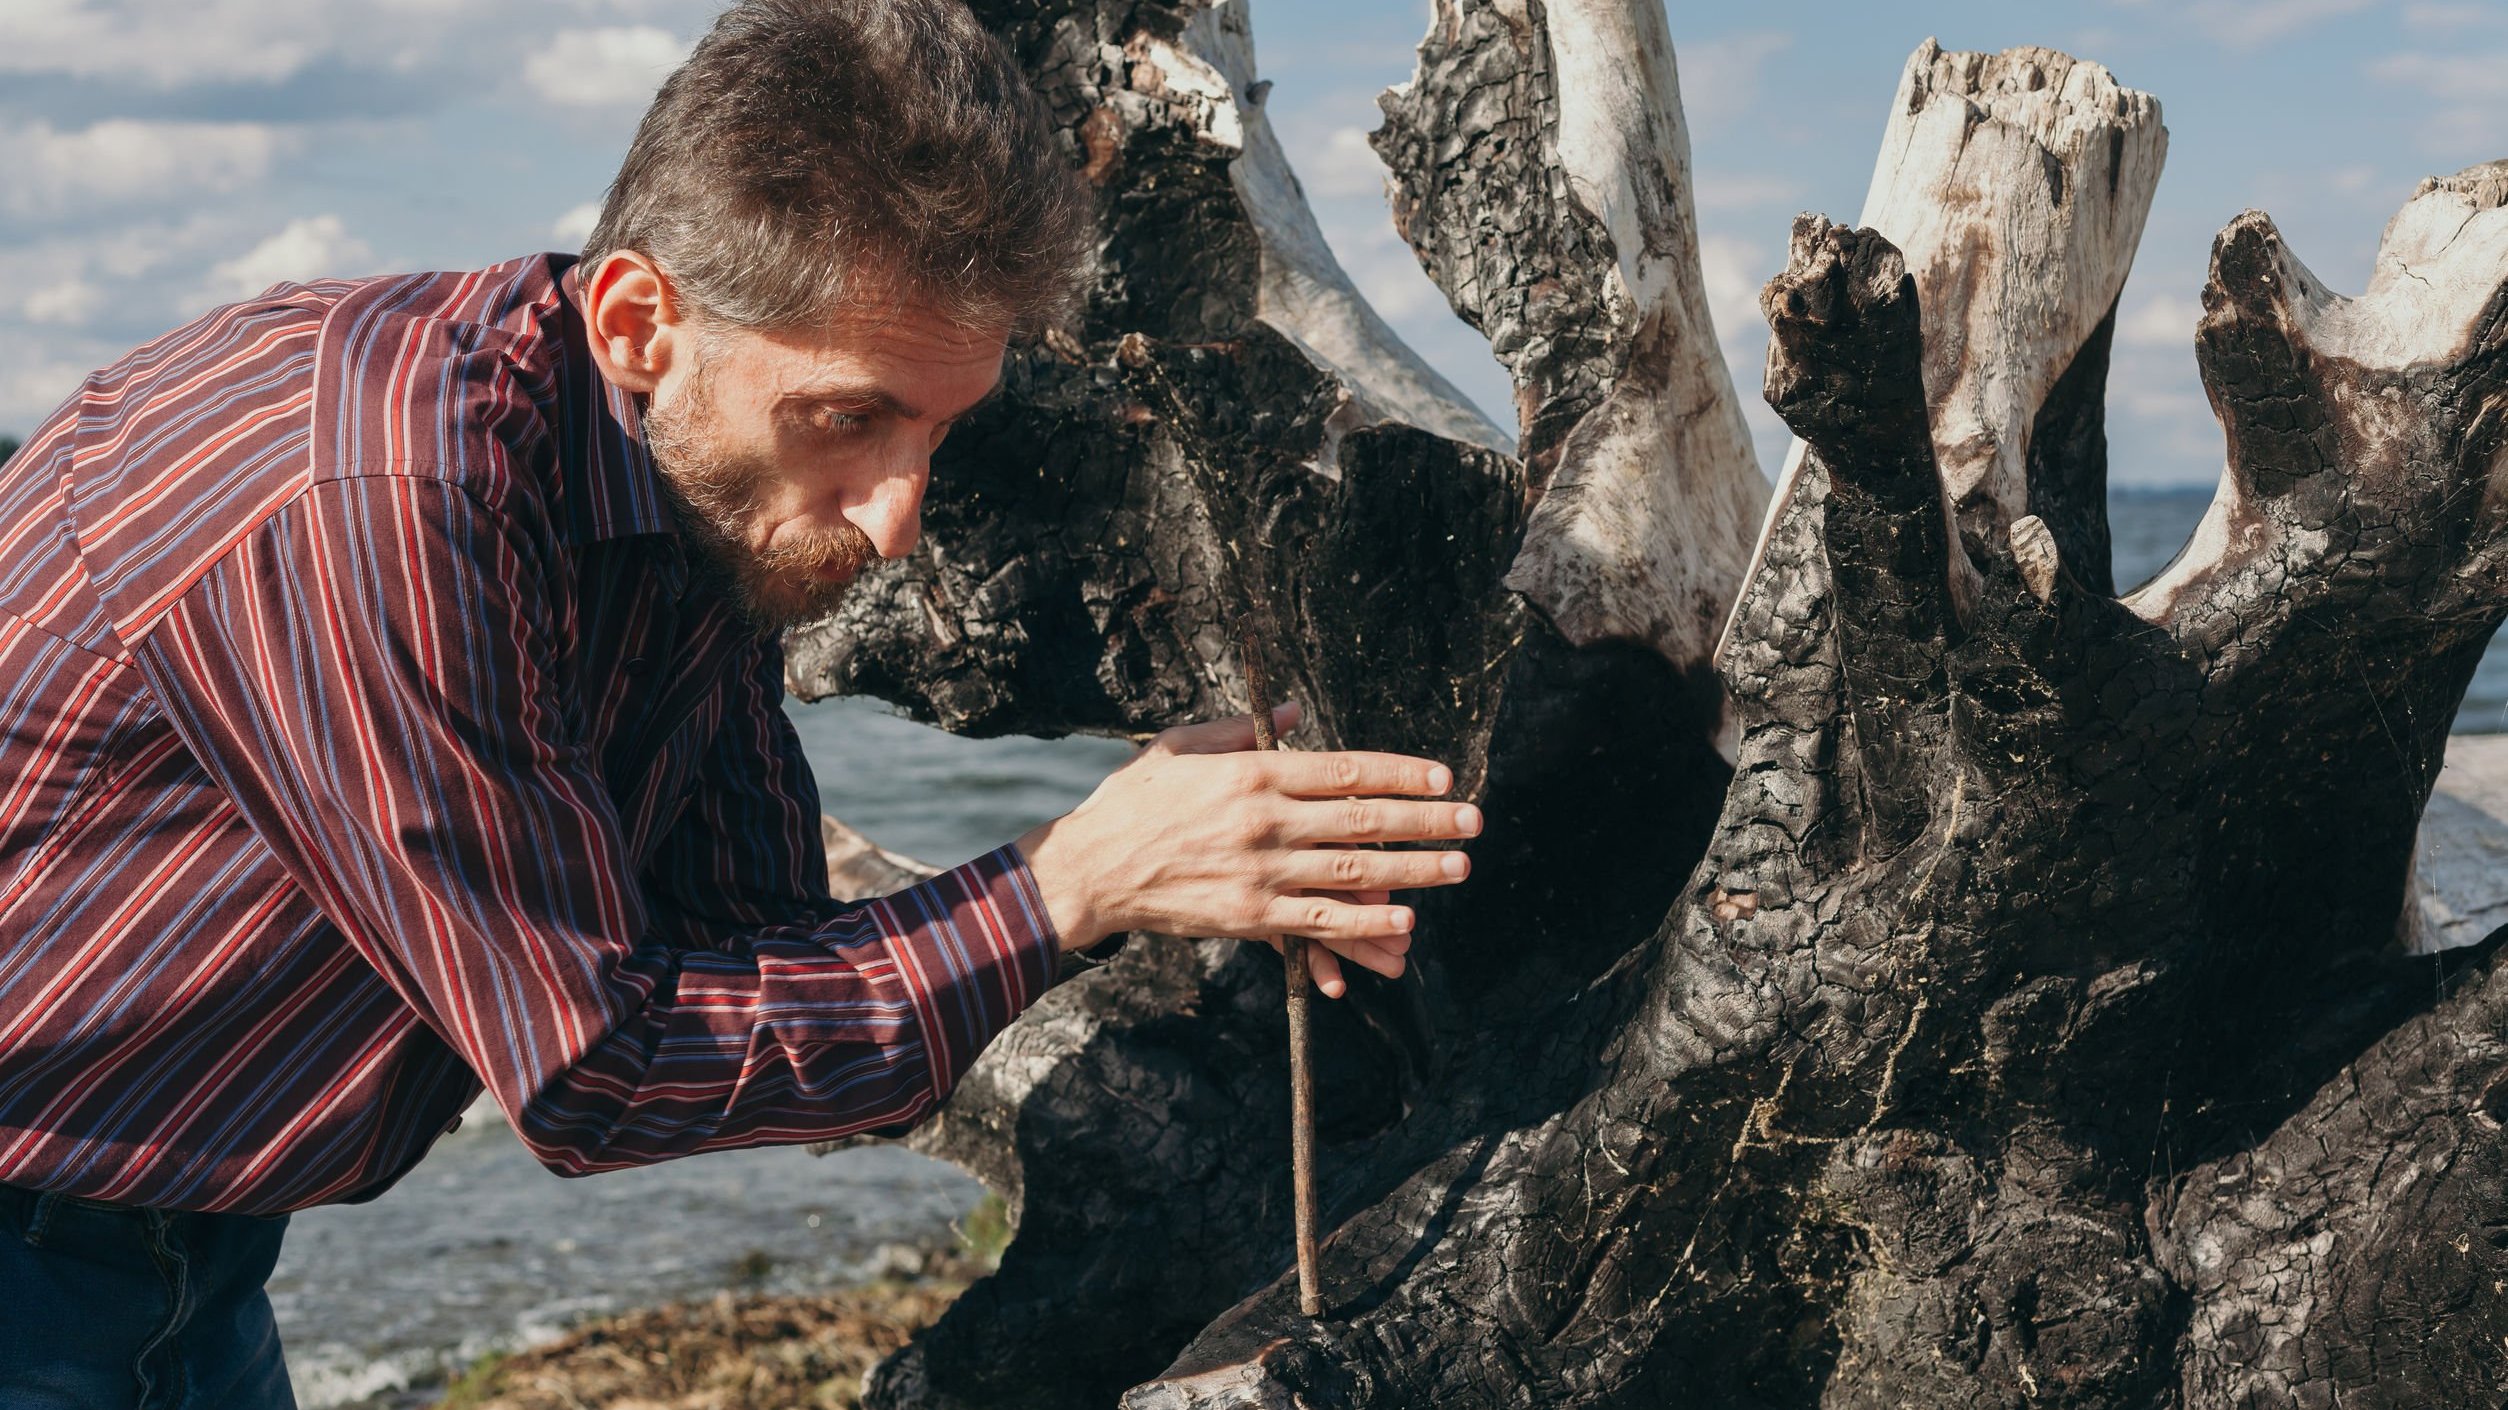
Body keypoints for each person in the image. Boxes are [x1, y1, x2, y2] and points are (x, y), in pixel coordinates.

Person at [0, 1, 1478, 1403]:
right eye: (849, 418)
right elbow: (592, 1066)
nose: (898, 518)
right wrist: (1068, 879)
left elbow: (758, 970)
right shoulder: (382, 502)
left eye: (936, 431)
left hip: (176, 1251)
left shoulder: (671, 497)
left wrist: (1179, 857)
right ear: (644, 321)